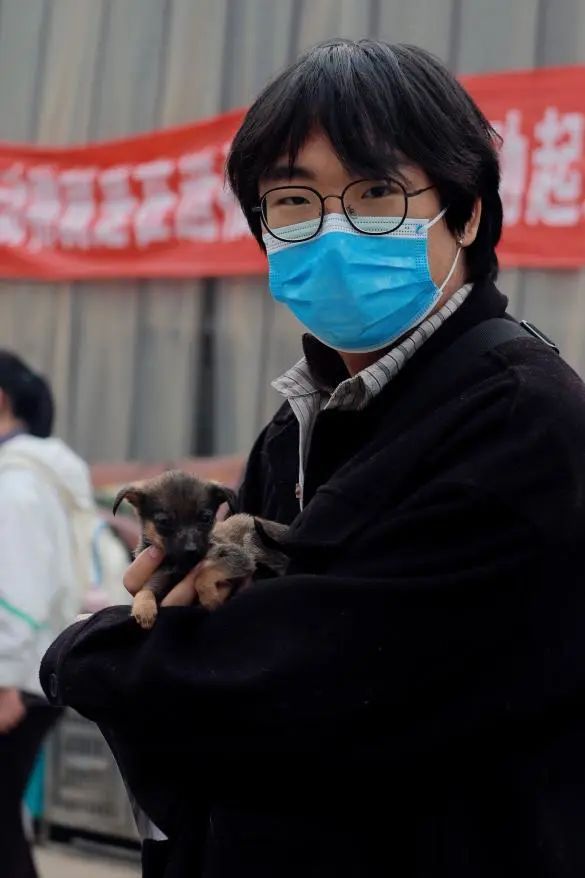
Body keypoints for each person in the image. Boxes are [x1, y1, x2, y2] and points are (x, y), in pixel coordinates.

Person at [41, 40, 585, 877]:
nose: (332, 230)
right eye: (293, 202)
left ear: (468, 213)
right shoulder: (301, 423)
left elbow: (310, 681)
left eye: (375, 194)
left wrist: (88, 653)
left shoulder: (520, 419)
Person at [0, 351, 96, 878]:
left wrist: (4, 680)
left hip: (13, 680)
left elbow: (17, 587)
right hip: (27, 672)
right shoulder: (33, 476)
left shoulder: (18, 484)